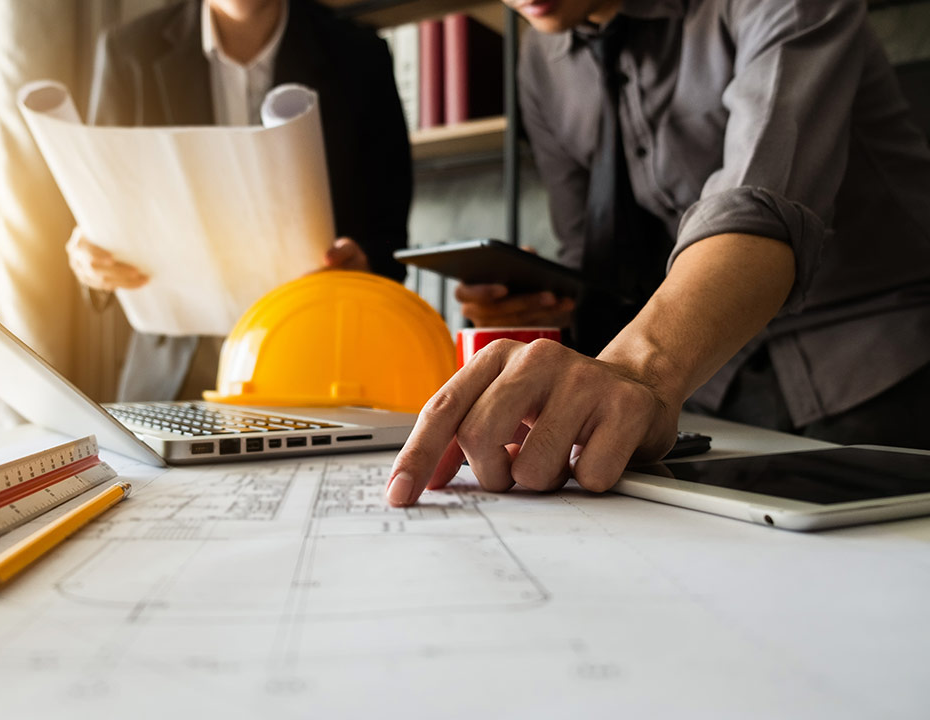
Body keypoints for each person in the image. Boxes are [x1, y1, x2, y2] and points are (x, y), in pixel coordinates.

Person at [386, 0, 930, 507]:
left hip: (877, 370)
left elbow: (761, 208)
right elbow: (590, 258)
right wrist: (545, 304)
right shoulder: (542, 58)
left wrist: (639, 374)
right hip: (707, 396)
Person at [66, 0, 412, 402]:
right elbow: (106, 206)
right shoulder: (129, 51)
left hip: (320, 359)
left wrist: (364, 264)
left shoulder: (359, 53)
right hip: (174, 369)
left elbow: (387, 234)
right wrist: (91, 259)